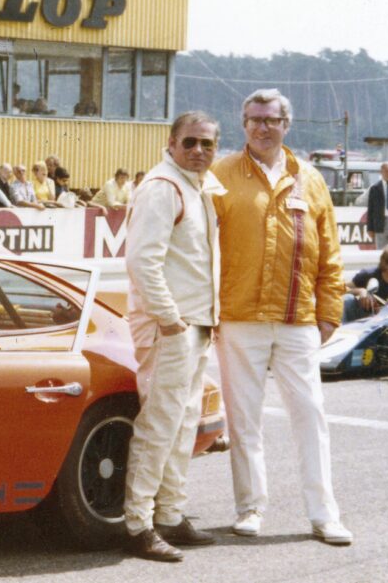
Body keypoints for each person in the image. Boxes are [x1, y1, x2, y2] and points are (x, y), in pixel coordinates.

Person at [210, 88, 351, 546]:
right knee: (243, 419)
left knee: (310, 415)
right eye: (253, 119)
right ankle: (250, 507)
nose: (262, 127)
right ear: (243, 123)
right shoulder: (220, 175)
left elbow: (330, 254)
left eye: (270, 119)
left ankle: (324, 513)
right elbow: (201, 246)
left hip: (298, 320)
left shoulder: (310, 179)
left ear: (285, 124)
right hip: (238, 316)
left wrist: (328, 315)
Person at [121, 111, 223, 562]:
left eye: (207, 143)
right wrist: (168, 318)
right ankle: (138, 524)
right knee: (160, 425)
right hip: (172, 325)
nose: (198, 150)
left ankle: (170, 515)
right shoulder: (163, 187)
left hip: (195, 322)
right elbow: (143, 260)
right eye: (191, 142)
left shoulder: (199, 187)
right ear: (172, 142)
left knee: (184, 424)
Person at [341, 245, 388, 322]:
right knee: (347, 299)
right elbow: (340, 288)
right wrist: (361, 291)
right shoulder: (369, 274)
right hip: (365, 318)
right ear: (386, 264)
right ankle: (341, 332)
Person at [365, 162, 388, 248]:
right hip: (380, 223)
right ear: (381, 172)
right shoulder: (375, 188)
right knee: (380, 252)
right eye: (386, 171)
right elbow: (371, 209)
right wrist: (370, 228)